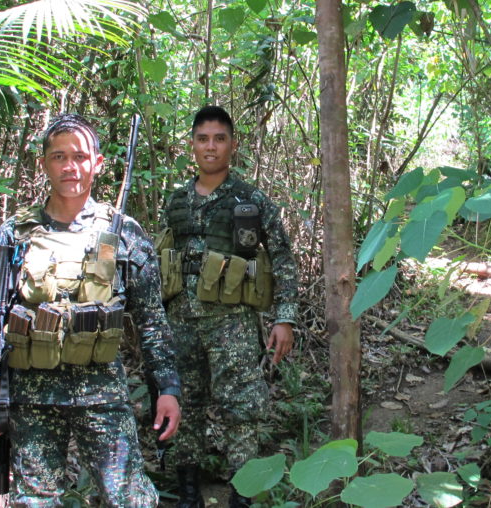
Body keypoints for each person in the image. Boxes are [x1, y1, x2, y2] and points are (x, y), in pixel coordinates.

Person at [0, 113, 181, 507]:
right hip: (31, 396)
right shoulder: (16, 234)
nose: (69, 167)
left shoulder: (123, 233)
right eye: (59, 157)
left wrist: (167, 388)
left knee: (129, 498)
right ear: (43, 163)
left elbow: (151, 321)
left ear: (97, 163)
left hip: (102, 394)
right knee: (35, 500)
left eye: (79, 157)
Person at [159, 105, 298, 508]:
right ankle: (188, 491)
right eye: (203, 139)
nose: (211, 147)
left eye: (219, 139)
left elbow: (283, 258)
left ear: (233, 145)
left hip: (232, 324)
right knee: (184, 404)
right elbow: (162, 257)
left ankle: (242, 493)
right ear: (192, 145)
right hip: (181, 322)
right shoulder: (177, 201)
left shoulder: (250, 200)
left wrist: (285, 318)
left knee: (242, 408)